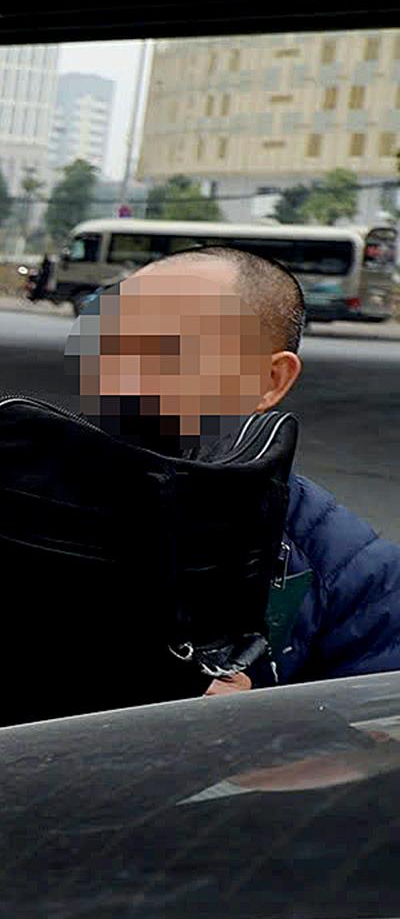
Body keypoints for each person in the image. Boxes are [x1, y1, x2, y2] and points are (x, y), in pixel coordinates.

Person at [75, 246, 400, 684]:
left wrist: (253, 719)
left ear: (270, 380)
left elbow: (374, 718)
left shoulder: (353, 575)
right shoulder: (6, 493)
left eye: (171, 350)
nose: (125, 375)